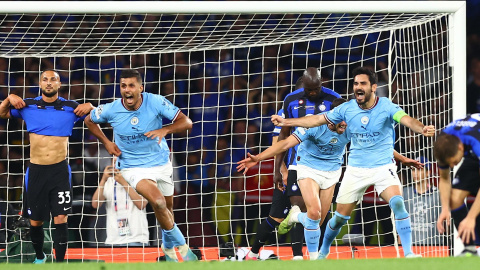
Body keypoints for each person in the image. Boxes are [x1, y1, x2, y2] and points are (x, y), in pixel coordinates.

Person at [271, 66, 435, 258]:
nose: (358, 87)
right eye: (355, 83)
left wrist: (421, 128)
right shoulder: (346, 109)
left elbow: (406, 119)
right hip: (355, 169)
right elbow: (315, 120)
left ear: (373, 87)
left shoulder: (387, 107)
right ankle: (324, 251)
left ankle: (409, 254)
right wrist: (287, 122)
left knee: (398, 203)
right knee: (339, 218)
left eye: (362, 83)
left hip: (383, 167)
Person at [84, 69, 198, 262]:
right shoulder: (111, 109)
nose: (127, 90)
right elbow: (88, 119)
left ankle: (169, 252)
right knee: (159, 202)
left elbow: (186, 122)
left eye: (131, 85)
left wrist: (165, 129)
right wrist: (106, 142)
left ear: (140, 88)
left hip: (161, 163)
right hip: (132, 167)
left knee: (167, 210)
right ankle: (186, 251)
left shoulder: (155, 101)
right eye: (123, 86)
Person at [0, 70, 95, 263]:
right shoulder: (28, 105)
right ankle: (40, 256)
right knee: (36, 222)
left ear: (60, 85)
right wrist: (9, 97)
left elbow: (94, 119)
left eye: (53, 80)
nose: (49, 83)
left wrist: (91, 106)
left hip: (60, 170)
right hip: (36, 171)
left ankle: (59, 263)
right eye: (45, 79)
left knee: (61, 219)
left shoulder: (71, 107)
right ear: (40, 84)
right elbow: (2, 112)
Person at [238, 98, 350, 260]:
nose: (345, 125)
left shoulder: (351, 125)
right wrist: (258, 158)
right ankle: (313, 260)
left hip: (332, 172)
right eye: (341, 122)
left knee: (317, 222)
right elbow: (284, 144)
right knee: (314, 212)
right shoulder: (313, 126)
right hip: (307, 168)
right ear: (332, 117)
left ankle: (296, 216)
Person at [274, 68, 341, 259]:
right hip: (300, 162)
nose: (313, 93)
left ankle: (316, 249)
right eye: (309, 89)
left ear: (322, 84)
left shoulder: (334, 98)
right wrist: (279, 167)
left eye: (316, 89)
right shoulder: (290, 100)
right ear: (303, 84)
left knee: (318, 217)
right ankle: (301, 256)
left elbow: (344, 128)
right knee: (305, 206)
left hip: (328, 163)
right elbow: (284, 136)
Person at [433, 114, 480, 256]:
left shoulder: (475, 141)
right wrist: (445, 208)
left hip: (476, 146)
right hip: (472, 155)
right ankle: (470, 250)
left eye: (454, 162)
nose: (453, 166)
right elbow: (445, 178)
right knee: (453, 198)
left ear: (460, 147)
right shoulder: (443, 143)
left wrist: (471, 218)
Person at [92, 160, 149, 246]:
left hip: (136, 239)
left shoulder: (139, 178)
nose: (117, 165)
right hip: (113, 240)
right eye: (114, 162)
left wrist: (123, 182)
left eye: (119, 161)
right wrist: (103, 180)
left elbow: (142, 204)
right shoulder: (109, 181)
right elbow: (95, 204)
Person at [402, 156, 443, 246]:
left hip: (434, 246)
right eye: (413, 170)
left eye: (419, 169)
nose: (415, 173)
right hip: (410, 246)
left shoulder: (439, 195)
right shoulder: (404, 193)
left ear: (428, 172)